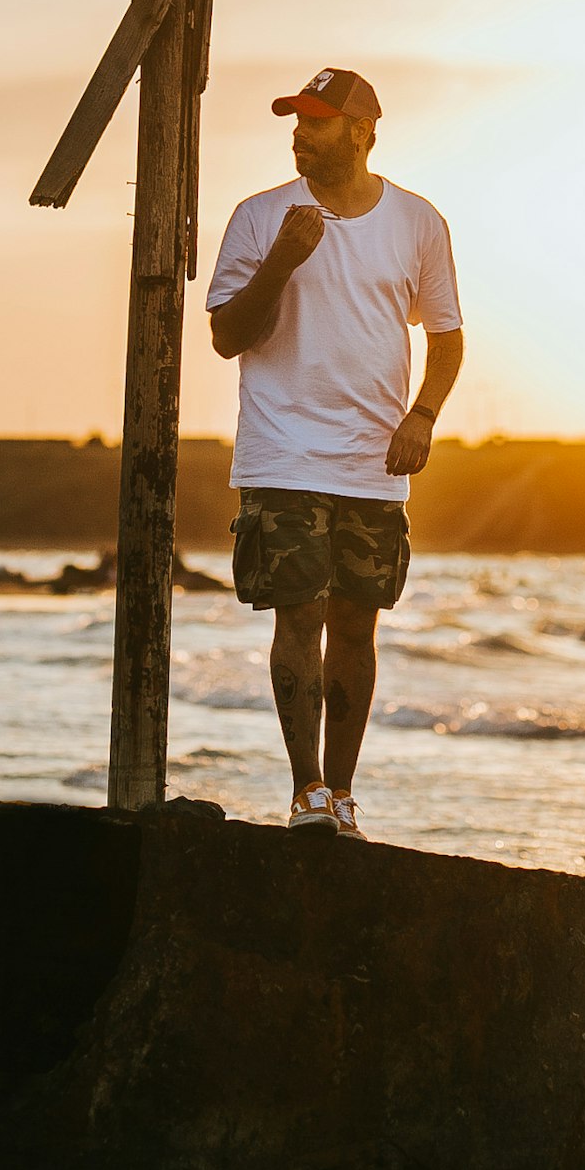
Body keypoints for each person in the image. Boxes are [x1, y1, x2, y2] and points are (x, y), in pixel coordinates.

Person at [207, 67, 464, 840]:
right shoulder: (260, 218)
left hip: (372, 462)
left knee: (358, 626)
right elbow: (226, 338)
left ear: (361, 130)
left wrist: (422, 415)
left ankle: (343, 797)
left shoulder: (417, 222)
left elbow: (446, 337)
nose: (299, 133)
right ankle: (306, 793)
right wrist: (283, 260)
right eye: (295, 121)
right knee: (299, 616)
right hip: (283, 454)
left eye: (316, 122)